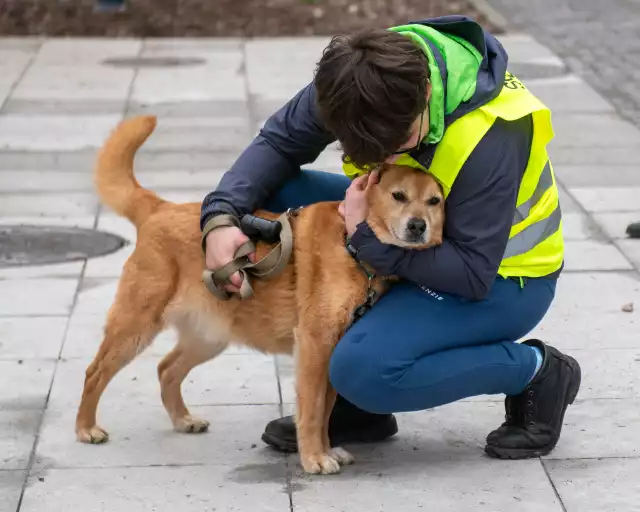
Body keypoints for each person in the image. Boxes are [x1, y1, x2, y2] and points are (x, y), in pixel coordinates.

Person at [200, 15, 582, 460]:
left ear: (423, 97)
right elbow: (279, 143)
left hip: (501, 279)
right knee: (270, 191)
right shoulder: (359, 78)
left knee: (367, 370)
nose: (380, 159)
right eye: (361, 147)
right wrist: (220, 218)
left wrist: (366, 239)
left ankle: (537, 372)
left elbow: (471, 273)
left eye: (395, 144)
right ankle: (358, 409)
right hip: (403, 236)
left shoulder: (492, 134)